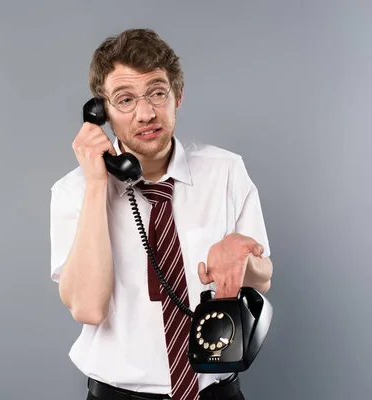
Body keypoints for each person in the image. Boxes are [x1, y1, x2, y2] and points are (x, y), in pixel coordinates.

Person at [49, 29, 273, 400]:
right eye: (125, 99)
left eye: (157, 92)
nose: (146, 112)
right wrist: (95, 184)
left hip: (216, 391)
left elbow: (264, 277)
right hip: (118, 394)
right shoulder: (73, 192)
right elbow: (88, 307)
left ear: (177, 96)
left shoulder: (226, 171)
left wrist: (244, 257)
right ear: (101, 113)